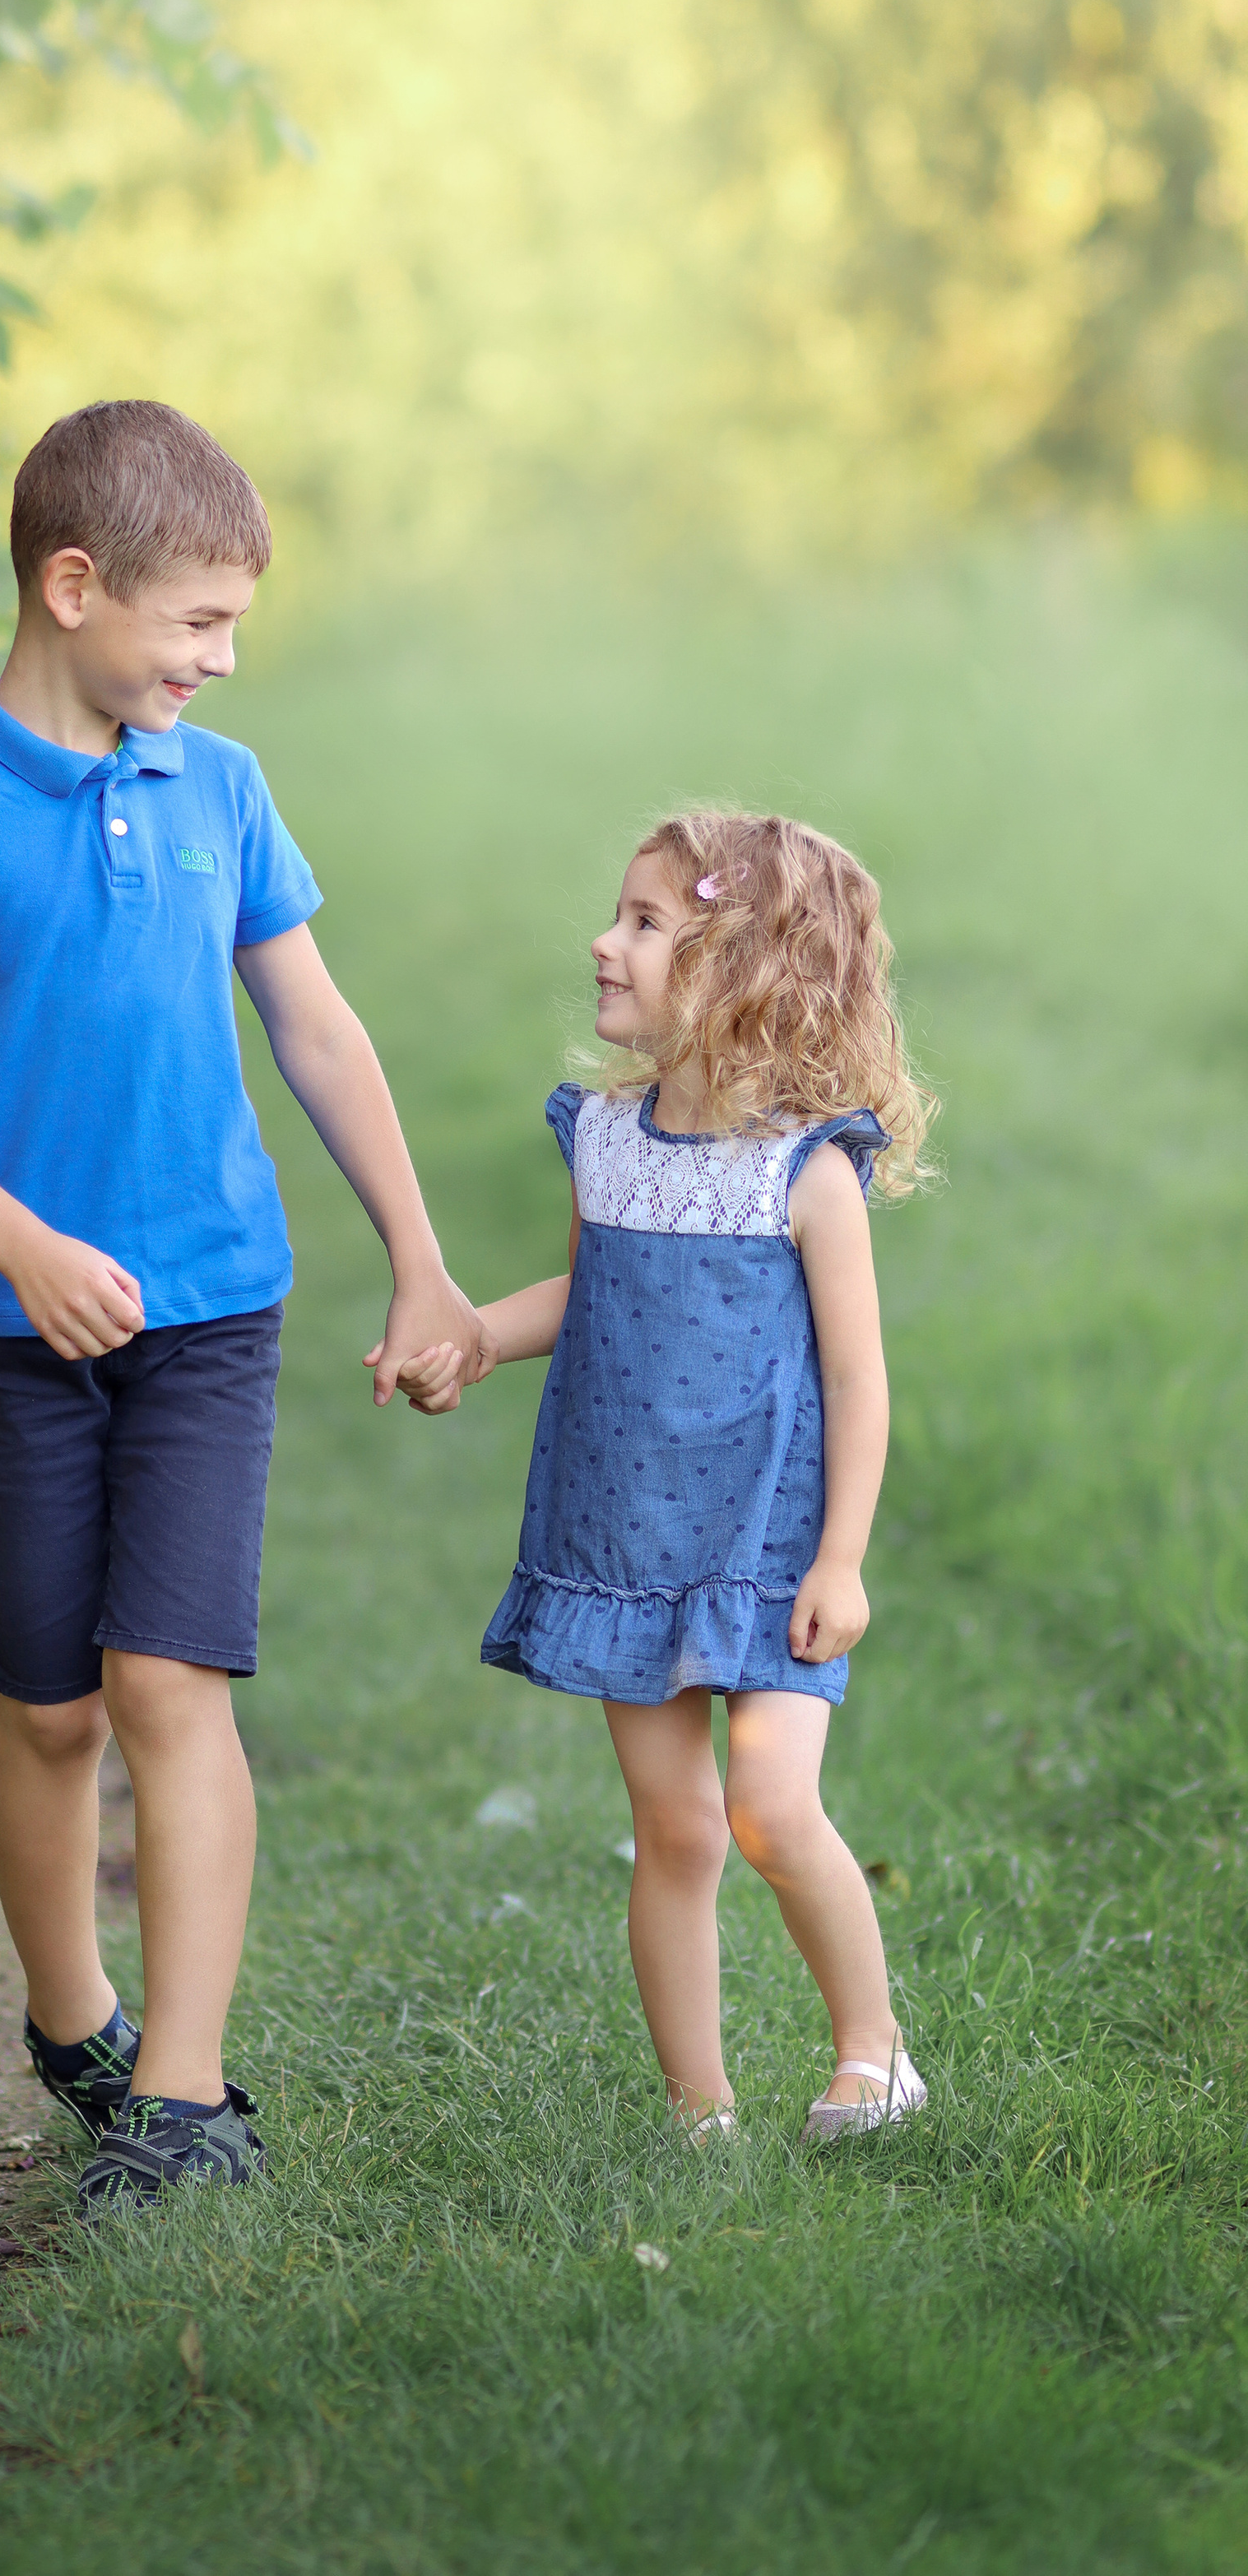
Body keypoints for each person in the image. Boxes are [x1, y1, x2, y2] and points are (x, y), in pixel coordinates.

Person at [0, 400, 482, 2207]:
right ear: (70, 585)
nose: (218, 658)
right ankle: (74, 2019)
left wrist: (417, 1257)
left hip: (210, 1310)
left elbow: (318, 1031)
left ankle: (181, 2103)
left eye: (229, 630)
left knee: (165, 1678)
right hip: (15, 1326)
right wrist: (22, 1246)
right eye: (194, 624)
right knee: (49, 1705)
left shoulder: (225, 788)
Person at [395, 810, 937, 2141]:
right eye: (618, 913)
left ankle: (874, 2050)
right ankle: (700, 2110)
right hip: (626, 1538)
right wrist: (472, 1336)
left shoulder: (810, 1174)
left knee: (767, 1803)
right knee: (676, 1825)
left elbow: (860, 1380)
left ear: (744, 969)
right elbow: (588, 1296)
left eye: (645, 922)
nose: (606, 940)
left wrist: (843, 1558)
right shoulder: (604, 1133)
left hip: (767, 1536)